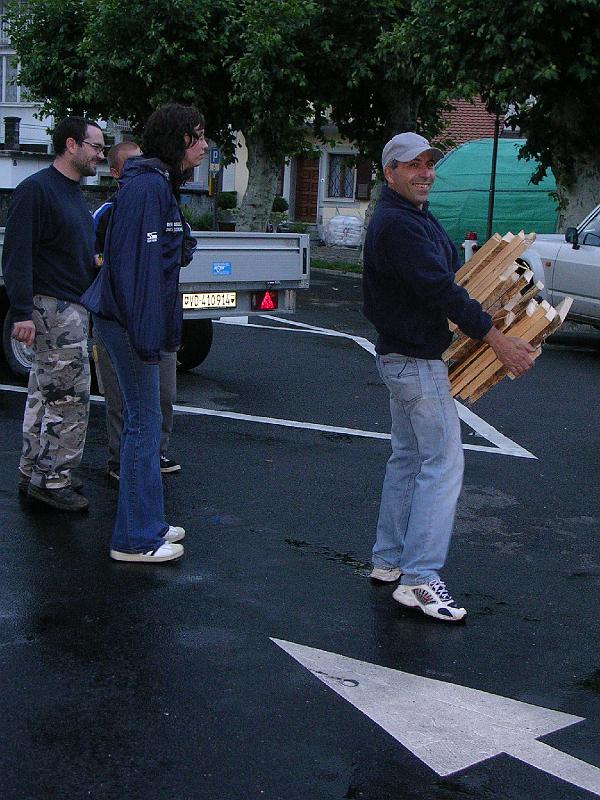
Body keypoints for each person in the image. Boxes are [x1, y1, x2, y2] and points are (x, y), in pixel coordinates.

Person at [363, 132, 536, 622]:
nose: (426, 173)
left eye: (429, 163)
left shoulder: (413, 215)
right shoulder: (399, 224)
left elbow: (451, 276)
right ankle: (419, 579)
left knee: (407, 459)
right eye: (413, 165)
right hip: (416, 362)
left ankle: (389, 560)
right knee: (442, 465)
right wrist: (497, 340)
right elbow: (442, 289)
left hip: (403, 358)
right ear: (390, 173)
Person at [81, 104, 208, 563]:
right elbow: (137, 271)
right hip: (128, 323)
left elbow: (166, 254)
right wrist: (148, 340)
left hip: (129, 321)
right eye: (197, 136)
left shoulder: (158, 184)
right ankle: (134, 538)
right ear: (177, 140)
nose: (205, 145)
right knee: (143, 424)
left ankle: (148, 521)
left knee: (146, 422)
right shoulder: (148, 187)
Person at [2, 116, 105, 511]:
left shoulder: (72, 193)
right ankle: (53, 480)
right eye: (95, 146)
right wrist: (21, 312)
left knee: (43, 396)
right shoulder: (36, 190)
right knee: (69, 398)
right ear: (71, 144)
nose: (99, 155)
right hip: (54, 311)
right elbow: (17, 254)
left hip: (69, 307)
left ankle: (34, 471)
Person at [92, 141, 181, 482]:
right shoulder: (107, 212)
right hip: (119, 319)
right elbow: (92, 258)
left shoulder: (161, 199)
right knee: (121, 397)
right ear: (116, 172)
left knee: (163, 395)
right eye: (132, 165)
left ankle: (156, 453)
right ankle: (120, 461)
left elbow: (182, 242)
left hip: (156, 321)